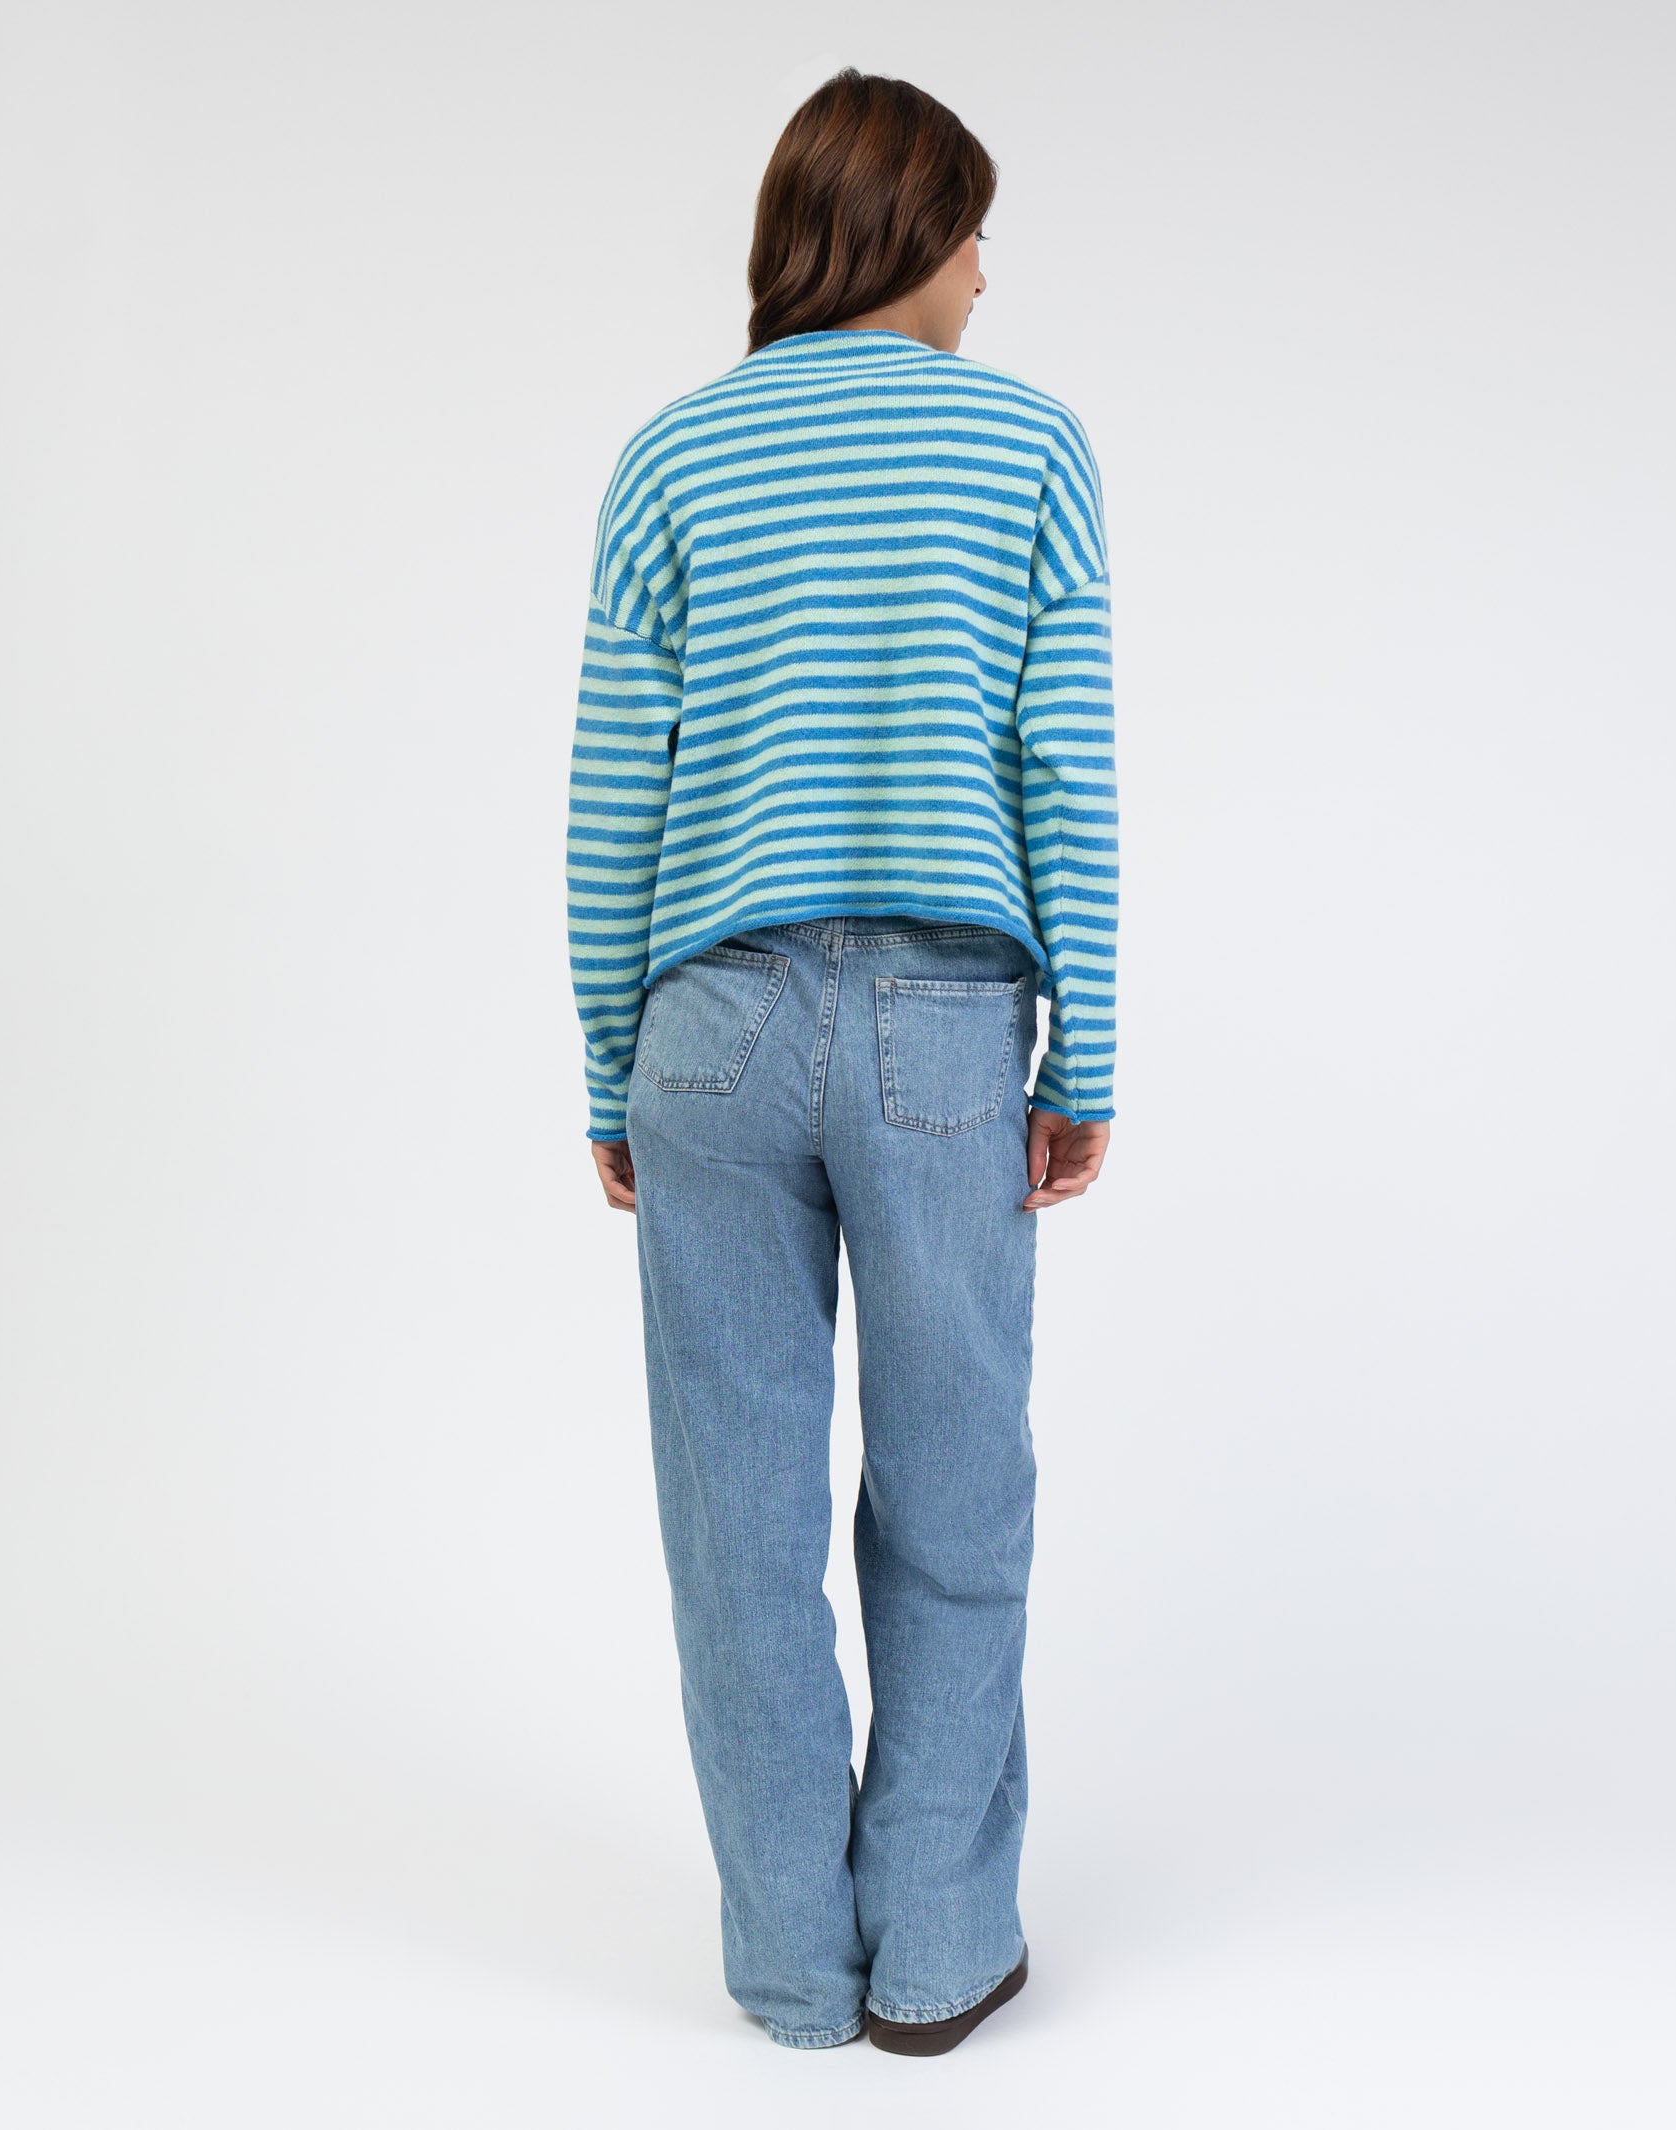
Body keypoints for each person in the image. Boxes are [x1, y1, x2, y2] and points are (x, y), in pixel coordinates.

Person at [566, 68, 1117, 2055]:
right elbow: (1065, 763)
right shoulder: (1030, 446)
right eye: (972, 226)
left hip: (706, 1031)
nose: (986, 267)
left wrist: (608, 1061)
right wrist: (1088, 1046)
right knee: (958, 1501)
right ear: (909, 231)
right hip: (944, 1034)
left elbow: (613, 792)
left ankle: (793, 1962)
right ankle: (938, 1952)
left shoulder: (671, 457)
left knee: (739, 1520)